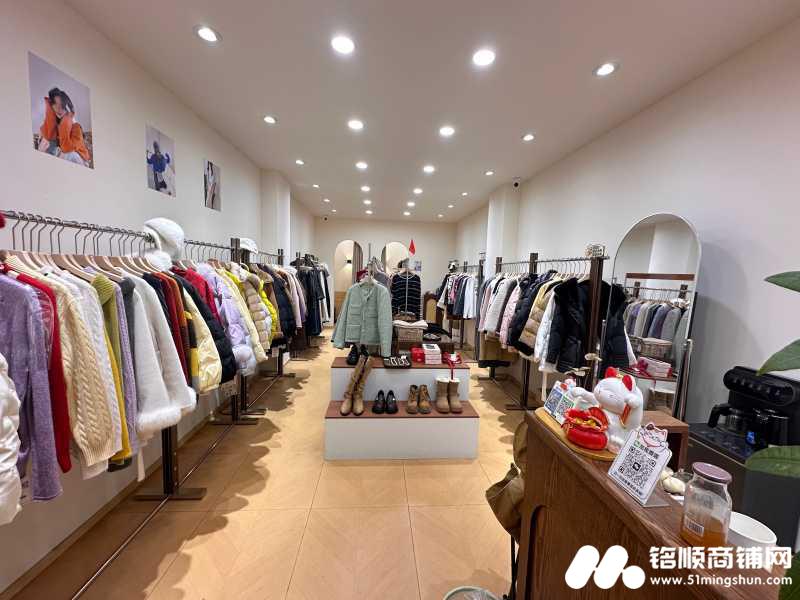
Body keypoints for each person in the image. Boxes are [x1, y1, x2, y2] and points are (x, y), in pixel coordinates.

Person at [37, 87, 90, 166]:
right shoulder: (54, 124)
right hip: (64, 159)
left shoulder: (76, 127)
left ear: (67, 105)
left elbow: (66, 148)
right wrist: (49, 109)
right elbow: (47, 136)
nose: (59, 107)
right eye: (55, 103)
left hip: (80, 159)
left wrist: (66, 120)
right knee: (47, 142)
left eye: (61, 104)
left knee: (67, 153)